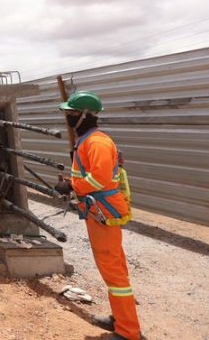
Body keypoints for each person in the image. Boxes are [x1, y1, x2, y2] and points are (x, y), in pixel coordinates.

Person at [54, 91, 140, 340]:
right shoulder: (89, 140)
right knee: (113, 266)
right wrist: (74, 182)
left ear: (84, 116)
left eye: (71, 114)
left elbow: (99, 179)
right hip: (97, 210)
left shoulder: (97, 142)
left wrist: (71, 186)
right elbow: (92, 175)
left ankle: (128, 332)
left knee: (113, 268)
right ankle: (120, 319)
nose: (68, 118)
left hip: (104, 211)